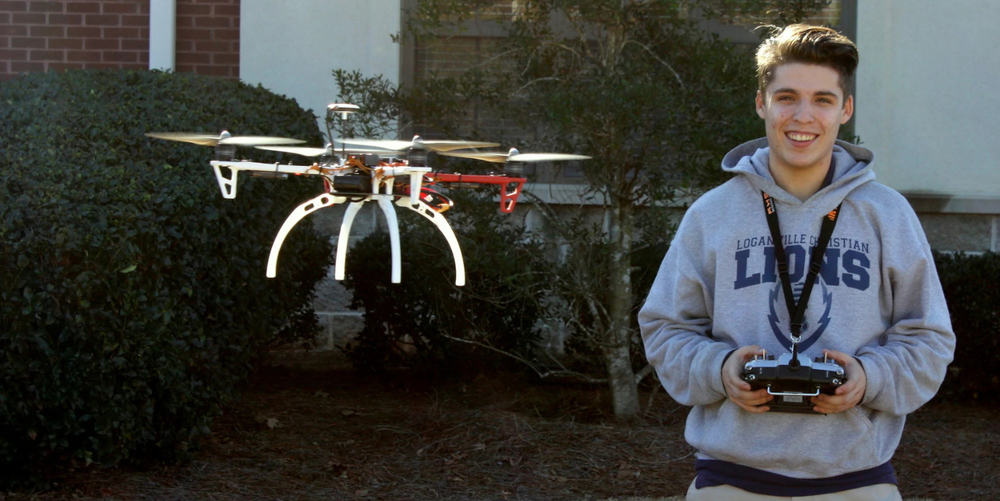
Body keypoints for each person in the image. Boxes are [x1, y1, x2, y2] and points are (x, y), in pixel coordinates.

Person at [638, 24, 956, 500]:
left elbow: (929, 337)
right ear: (761, 102)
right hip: (730, 480)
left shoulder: (887, 215)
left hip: (858, 481)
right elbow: (664, 328)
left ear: (845, 109)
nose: (803, 116)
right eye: (786, 97)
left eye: (823, 100)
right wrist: (720, 369)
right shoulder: (712, 214)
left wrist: (870, 379)